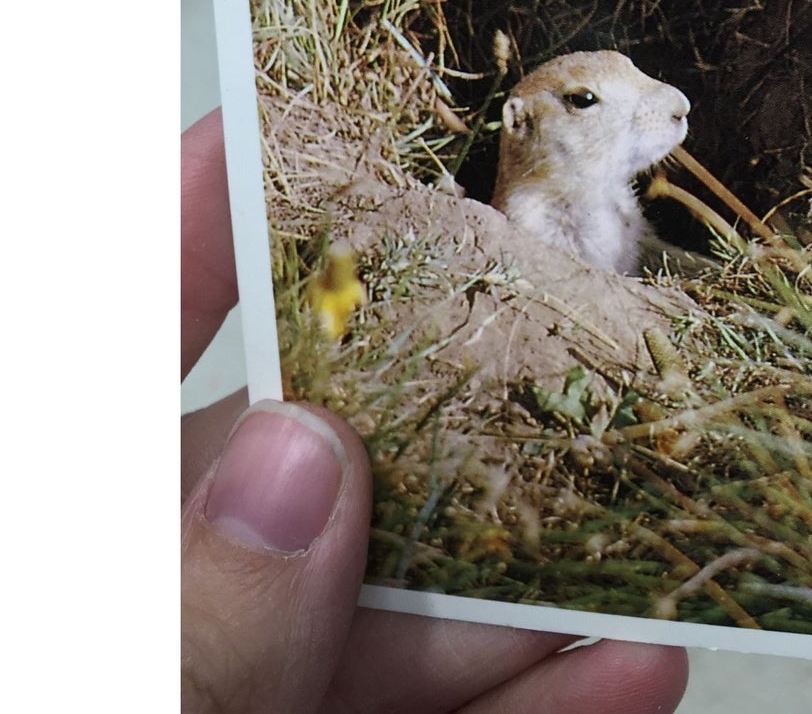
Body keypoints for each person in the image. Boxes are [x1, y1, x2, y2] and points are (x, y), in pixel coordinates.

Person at [181, 109, 691, 713]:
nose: (672, 105)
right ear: (521, 123)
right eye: (584, 101)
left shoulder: (620, 206)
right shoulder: (520, 218)